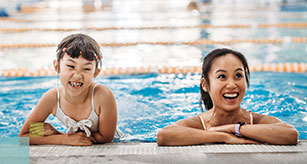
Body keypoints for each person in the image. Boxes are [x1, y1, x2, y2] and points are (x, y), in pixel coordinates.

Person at [157, 48, 298, 146]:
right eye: (222, 77)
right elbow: (164, 135)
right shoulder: (198, 124)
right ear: (205, 85)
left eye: (238, 76)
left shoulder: (255, 120)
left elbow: (290, 134)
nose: (231, 85)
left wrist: (234, 128)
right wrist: (223, 136)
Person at [19, 33, 123, 146]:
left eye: (86, 69)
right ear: (57, 67)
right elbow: (24, 135)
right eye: (71, 66)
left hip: (120, 142)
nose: (78, 75)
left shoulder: (102, 95)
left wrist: (62, 136)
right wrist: (62, 138)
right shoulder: (52, 98)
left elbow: (106, 137)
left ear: (95, 73)